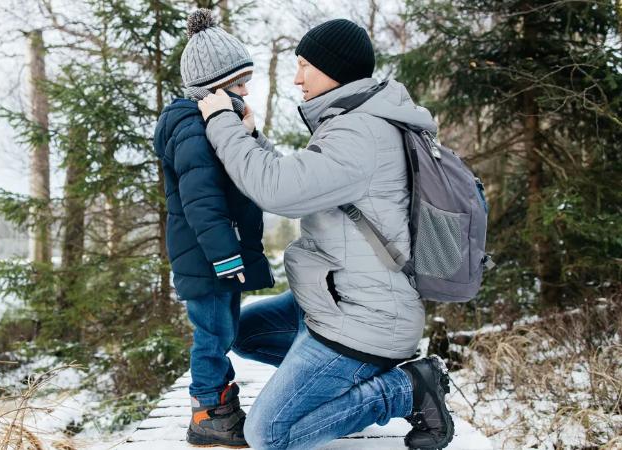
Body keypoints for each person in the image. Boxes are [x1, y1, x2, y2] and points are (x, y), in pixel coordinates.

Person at [197, 18, 454, 450]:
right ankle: (343, 390)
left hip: (365, 320)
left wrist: (221, 120)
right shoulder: (354, 120)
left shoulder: (362, 133)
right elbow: (301, 178)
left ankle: (407, 388)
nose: (297, 78)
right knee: (241, 332)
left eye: (304, 66)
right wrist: (254, 138)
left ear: (334, 68)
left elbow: (277, 190)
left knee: (269, 434)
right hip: (333, 301)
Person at [152, 8, 274, 448]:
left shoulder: (213, 124)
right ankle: (207, 411)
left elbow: (247, 174)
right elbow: (201, 201)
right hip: (207, 257)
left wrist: (248, 134)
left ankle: (221, 403)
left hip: (217, 255)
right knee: (213, 334)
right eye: (238, 84)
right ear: (212, 87)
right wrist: (225, 255)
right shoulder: (191, 128)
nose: (246, 91)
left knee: (222, 330)